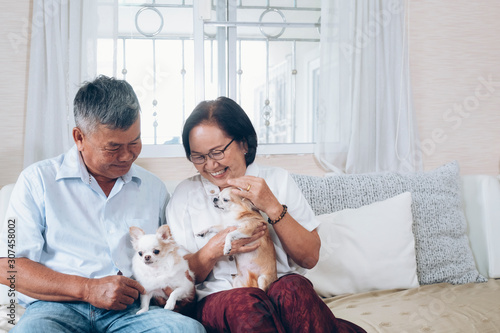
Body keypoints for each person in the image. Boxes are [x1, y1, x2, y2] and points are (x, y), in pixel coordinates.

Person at [0, 75, 205, 333]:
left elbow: (172, 256)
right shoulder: (36, 181)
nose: (127, 155)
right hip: (56, 308)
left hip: (132, 311)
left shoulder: (153, 188)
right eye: (113, 147)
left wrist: (171, 290)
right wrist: (87, 289)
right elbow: (8, 266)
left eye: (135, 142)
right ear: (79, 138)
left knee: (188, 330)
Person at [166, 96, 366, 333]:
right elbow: (178, 278)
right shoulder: (184, 196)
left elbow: (309, 258)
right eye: (199, 157)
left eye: (217, 152)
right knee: (246, 303)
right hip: (219, 297)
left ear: (243, 144)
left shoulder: (277, 180)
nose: (210, 165)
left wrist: (272, 206)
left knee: (295, 289)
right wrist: (213, 250)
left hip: (277, 285)